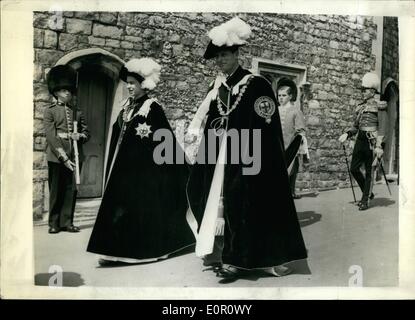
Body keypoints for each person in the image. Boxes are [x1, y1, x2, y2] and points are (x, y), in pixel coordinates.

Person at [186, 17, 308, 282]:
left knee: (240, 204)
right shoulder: (218, 87)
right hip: (219, 156)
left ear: (237, 54)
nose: (220, 61)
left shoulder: (257, 85)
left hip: (248, 157)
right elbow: (211, 119)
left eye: (225, 55)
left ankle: (236, 259)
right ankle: (218, 252)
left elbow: (267, 125)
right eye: (217, 57)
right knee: (213, 198)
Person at [87, 58, 194, 266]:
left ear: (143, 85)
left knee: (136, 213)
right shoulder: (126, 107)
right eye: (127, 83)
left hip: (144, 174)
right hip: (122, 172)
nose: (129, 87)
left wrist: (181, 164)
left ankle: (135, 253)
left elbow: (165, 140)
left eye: (132, 84)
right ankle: (112, 253)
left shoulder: (152, 108)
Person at [44, 64, 90, 234]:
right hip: (57, 156)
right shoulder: (49, 112)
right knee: (56, 190)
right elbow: (51, 136)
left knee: (71, 190)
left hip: (76, 155)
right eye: (64, 91)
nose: (68, 93)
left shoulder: (77, 112)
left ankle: (67, 222)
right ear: (56, 92)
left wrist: (81, 137)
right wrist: (63, 157)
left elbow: (87, 132)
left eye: (69, 91)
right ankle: (54, 223)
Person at [338, 72, 388, 211]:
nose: (363, 92)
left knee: (369, 172)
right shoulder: (360, 106)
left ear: (372, 91)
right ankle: (368, 193)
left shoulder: (380, 106)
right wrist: (347, 134)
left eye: (365, 90)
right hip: (360, 138)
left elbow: (383, 128)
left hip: (371, 141)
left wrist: (379, 145)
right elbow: (355, 126)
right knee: (354, 168)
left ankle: (365, 199)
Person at [276, 78, 308, 199]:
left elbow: (301, 130)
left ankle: (290, 193)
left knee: (290, 173)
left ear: (290, 96)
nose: (281, 98)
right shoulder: (275, 110)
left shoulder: (296, 111)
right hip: (276, 147)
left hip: (290, 148)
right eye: (279, 95)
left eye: (284, 95)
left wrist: (296, 146)